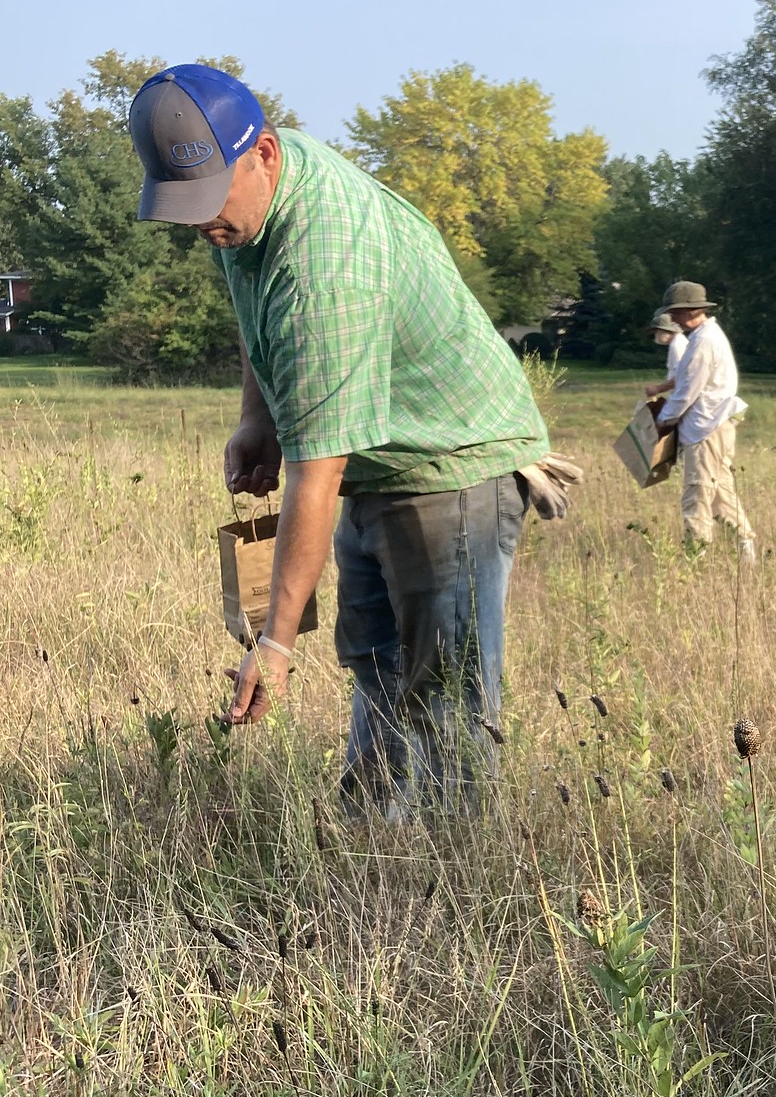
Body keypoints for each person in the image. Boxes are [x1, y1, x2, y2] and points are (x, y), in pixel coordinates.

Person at [130, 63, 571, 815]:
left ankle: (453, 867)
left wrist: (273, 644)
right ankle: (370, 834)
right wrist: (256, 417)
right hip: (379, 458)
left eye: (209, 200)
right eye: (185, 205)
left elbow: (316, 473)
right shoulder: (248, 207)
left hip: (448, 465)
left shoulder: (326, 264)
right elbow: (251, 305)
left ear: (263, 153)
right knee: (375, 660)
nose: (202, 224)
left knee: (447, 696)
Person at [655, 281, 755, 562]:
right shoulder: (707, 335)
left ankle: (695, 558)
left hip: (705, 429)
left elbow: (687, 390)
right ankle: (746, 549)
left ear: (691, 310)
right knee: (721, 493)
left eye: (675, 312)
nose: (672, 318)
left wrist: (664, 420)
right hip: (716, 425)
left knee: (696, 494)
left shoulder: (703, 341)